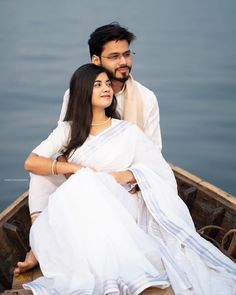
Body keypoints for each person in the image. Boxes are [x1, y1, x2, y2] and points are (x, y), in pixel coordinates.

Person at [21, 64, 235, 295]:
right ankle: (42, 242)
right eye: (97, 84)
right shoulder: (68, 130)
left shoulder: (127, 131)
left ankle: (112, 268)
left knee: (85, 184)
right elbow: (31, 162)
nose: (106, 89)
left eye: (107, 83)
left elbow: (159, 170)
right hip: (82, 207)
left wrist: (128, 175)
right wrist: (77, 169)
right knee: (60, 177)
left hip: (122, 203)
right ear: (83, 91)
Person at [14, 22, 163, 277]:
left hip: (123, 180)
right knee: (40, 175)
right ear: (96, 59)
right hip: (82, 173)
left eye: (127, 54)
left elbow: (153, 155)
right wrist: (78, 173)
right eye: (114, 56)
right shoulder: (76, 94)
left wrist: (122, 178)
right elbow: (65, 142)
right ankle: (38, 244)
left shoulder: (146, 98)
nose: (123, 61)